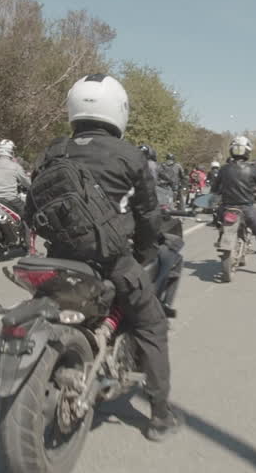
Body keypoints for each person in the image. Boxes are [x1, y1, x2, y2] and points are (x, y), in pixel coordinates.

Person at [24, 73, 180, 441]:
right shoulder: (130, 156)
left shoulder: (54, 151)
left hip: (57, 259)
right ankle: (159, 416)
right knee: (152, 324)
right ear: (118, 110)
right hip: (111, 262)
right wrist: (143, 255)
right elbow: (147, 216)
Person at [211, 137, 256, 274]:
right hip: (246, 208)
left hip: (226, 207)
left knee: (218, 219)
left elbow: (214, 189)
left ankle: (221, 238)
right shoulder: (253, 169)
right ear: (247, 151)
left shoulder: (223, 169)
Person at [0, 139, 31, 214]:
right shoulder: (16, 167)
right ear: (10, 151)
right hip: (11, 201)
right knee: (28, 213)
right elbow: (28, 184)